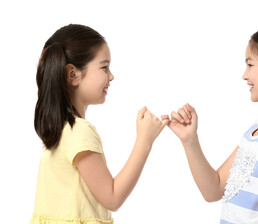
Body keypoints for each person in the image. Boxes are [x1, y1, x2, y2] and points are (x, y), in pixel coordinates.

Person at [163, 23, 258, 223]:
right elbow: (214, 189)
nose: (245, 75)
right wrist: (190, 140)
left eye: (250, 64)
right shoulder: (257, 130)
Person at [30, 24, 168, 224]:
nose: (111, 76)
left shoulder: (60, 129)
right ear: (73, 74)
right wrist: (144, 140)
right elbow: (112, 198)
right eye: (104, 67)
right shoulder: (80, 132)